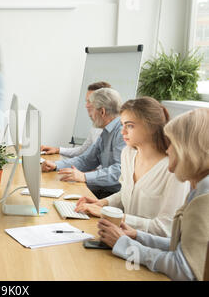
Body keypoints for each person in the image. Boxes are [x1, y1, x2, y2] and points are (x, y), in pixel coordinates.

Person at [96, 108, 209, 281]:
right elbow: (180, 247)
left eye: (172, 144)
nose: (168, 150)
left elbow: (186, 269)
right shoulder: (199, 189)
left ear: (190, 149)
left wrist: (126, 246)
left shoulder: (203, 200)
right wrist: (138, 236)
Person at [75, 97, 189, 236]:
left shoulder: (174, 169)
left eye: (129, 125)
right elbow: (127, 193)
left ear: (151, 126)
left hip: (149, 249)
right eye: (122, 125)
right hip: (121, 238)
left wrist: (111, 215)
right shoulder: (128, 154)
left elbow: (166, 228)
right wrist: (103, 203)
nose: (123, 132)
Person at [42, 88, 125, 198]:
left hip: (114, 195)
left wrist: (84, 177)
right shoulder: (106, 131)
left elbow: (120, 171)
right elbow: (86, 160)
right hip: (103, 189)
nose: (90, 115)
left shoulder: (122, 132)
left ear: (102, 112)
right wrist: (56, 165)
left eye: (92, 110)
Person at [41, 81, 111, 157]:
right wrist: (58, 150)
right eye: (86, 101)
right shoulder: (96, 125)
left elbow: (114, 167)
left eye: (90, 101)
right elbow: (83, 150)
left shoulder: (119, 131)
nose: (86, 105)